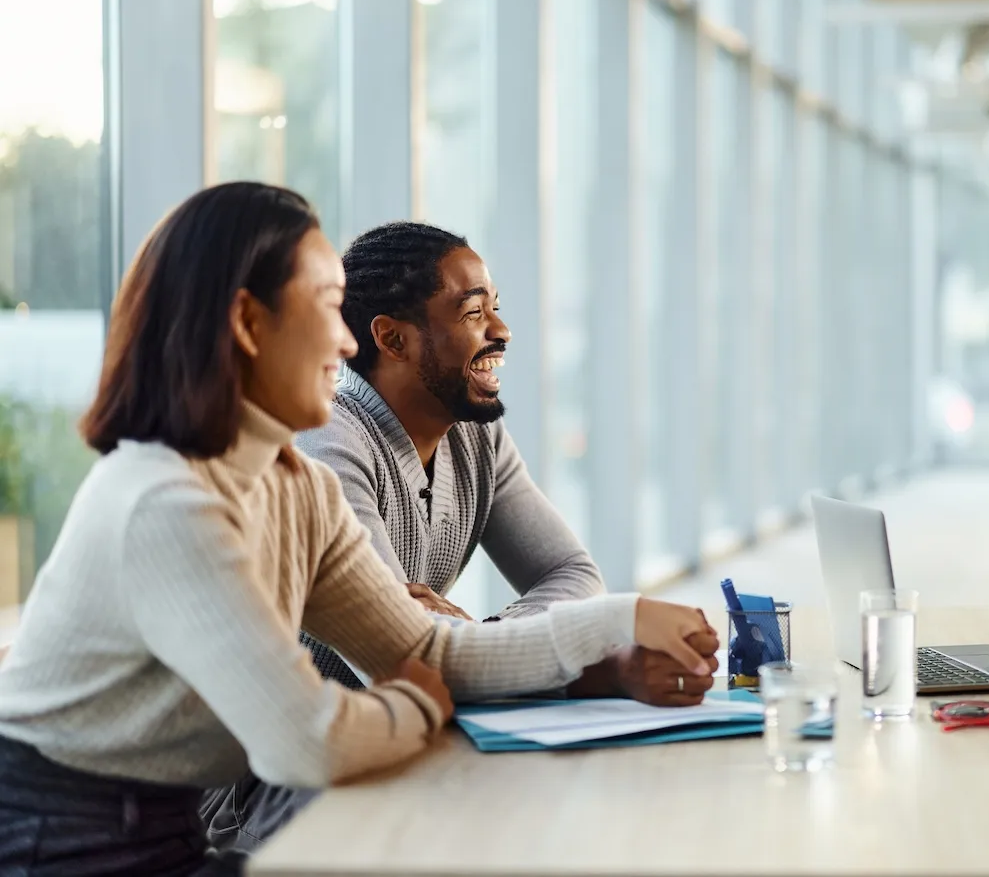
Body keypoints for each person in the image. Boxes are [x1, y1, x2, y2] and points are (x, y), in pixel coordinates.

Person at [0, 182, 715, 876]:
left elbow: (429, 647)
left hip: (168, 833)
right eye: (328, 308)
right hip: (58, 845)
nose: (346, 345)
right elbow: (308, 740)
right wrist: (416, 701)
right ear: (250, 324)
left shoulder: (295, 486)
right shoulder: (164, 502)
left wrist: (622, 617)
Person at [203, 220, 720, 854]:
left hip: (387, 731)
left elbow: (569, 577)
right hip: (261, 789)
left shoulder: (475, 433)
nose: (501, 331)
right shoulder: (323, 448)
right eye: (474, 312)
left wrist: (477, 636)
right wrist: (595, 644)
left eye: (495, 309)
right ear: (391, 338)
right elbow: (406, 661)